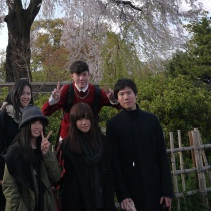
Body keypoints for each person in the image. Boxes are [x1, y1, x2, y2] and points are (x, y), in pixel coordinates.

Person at [106, 78, 173, 211]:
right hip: (131, 191)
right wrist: (122, 195)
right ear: (117, 99)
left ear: (136, 94)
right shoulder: (113, 125)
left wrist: (167, 191)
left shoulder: (151, 120)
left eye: (129, 93)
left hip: (156, 188)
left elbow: (162, 156)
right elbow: (115, 163)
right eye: (121, 94)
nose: (126, 97)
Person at [2, 105, 62, 211]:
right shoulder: (15, 151)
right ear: (26, 126)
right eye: (33, 123)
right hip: (23, 206)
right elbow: (9, 187)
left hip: (44, 205)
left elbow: (56, 176)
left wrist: (46, 154)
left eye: (40, 123)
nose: (38, 126)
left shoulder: (43, 148)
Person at [58, 102, 117, 211]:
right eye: (79, 119)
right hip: (77, 202)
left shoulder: (103, 142)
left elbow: (112, 171)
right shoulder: (67, 146)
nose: (84, 123)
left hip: (104, 200)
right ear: (74, 122)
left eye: (87, 118)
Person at [42, 60, 119, 140]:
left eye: (84, 75)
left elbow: (122, 106)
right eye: (78, 75)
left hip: (90, 137)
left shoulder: (97, 92)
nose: (81, 78)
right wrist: (54, 99)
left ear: (89, 75)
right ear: (72, 76)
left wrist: (114, 99)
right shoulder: (66, 90)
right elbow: (45, 112)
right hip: (68, 137)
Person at [0, 79, 34, 211]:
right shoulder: (5, 114)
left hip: (27, 167)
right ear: (15, 94)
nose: (26, 97)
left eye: (29, 93)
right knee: (9, 204)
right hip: (7, 169)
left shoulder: (30, 114)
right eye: (23, 93)